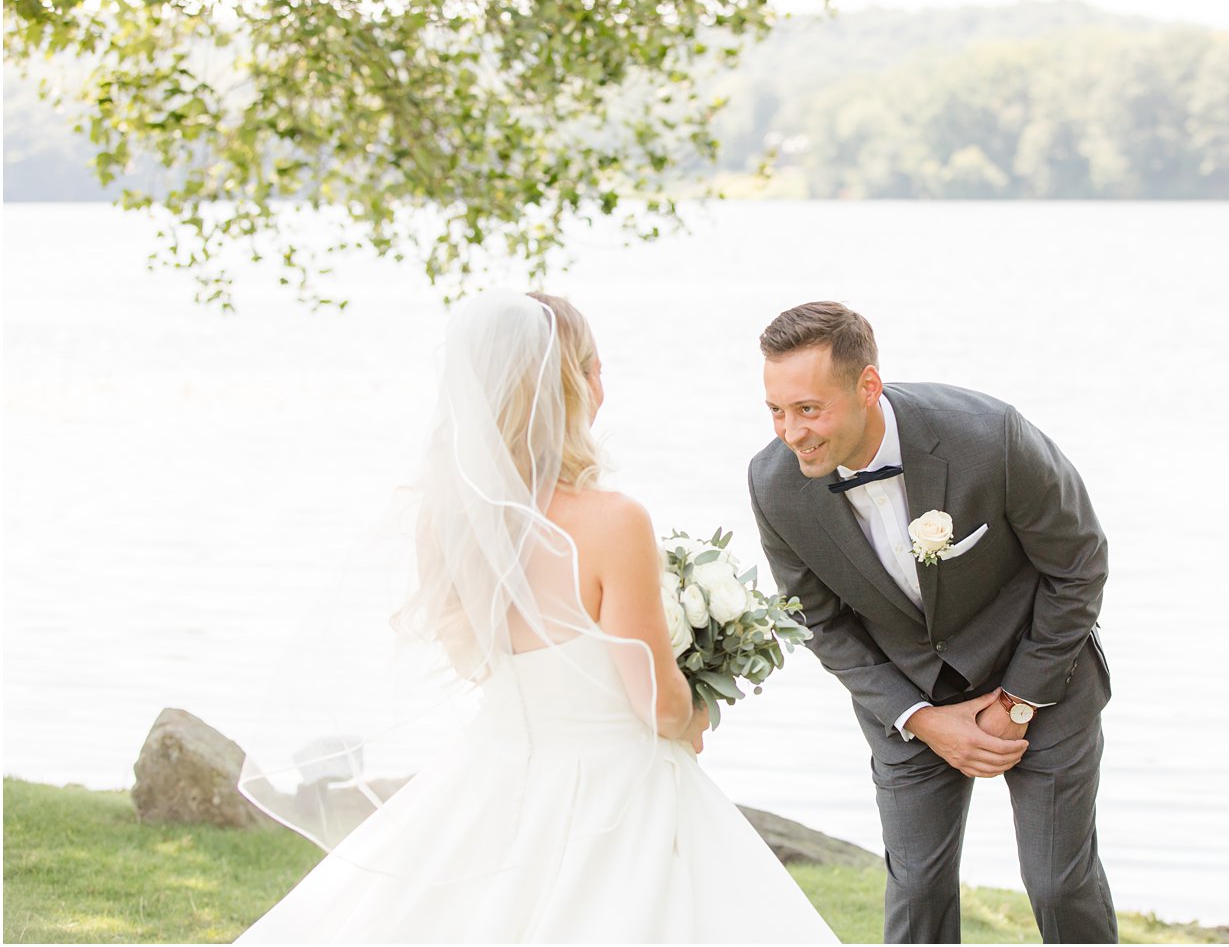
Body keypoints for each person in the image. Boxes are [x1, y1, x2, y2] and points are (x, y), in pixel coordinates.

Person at [236, 290, 837, 943]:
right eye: (594, 367)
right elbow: (659, 705)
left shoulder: (448, 517)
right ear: (566, 385)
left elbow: (474, 660)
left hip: (494, 772)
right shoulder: (613, 520)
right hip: (616, 791)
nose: (603, 384)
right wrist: (697, 714)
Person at [748, 301, 1115, 945]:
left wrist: (1020, 701)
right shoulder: (773, 483)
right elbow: (820, 623)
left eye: (809, 409)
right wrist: (918, 718)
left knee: (1059, 882)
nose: (791, 432)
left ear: (868, 386)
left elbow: (1078, 565)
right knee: (916, 889)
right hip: (905, 701)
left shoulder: (989, 435)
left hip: (1041, 676)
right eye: (777, 410)